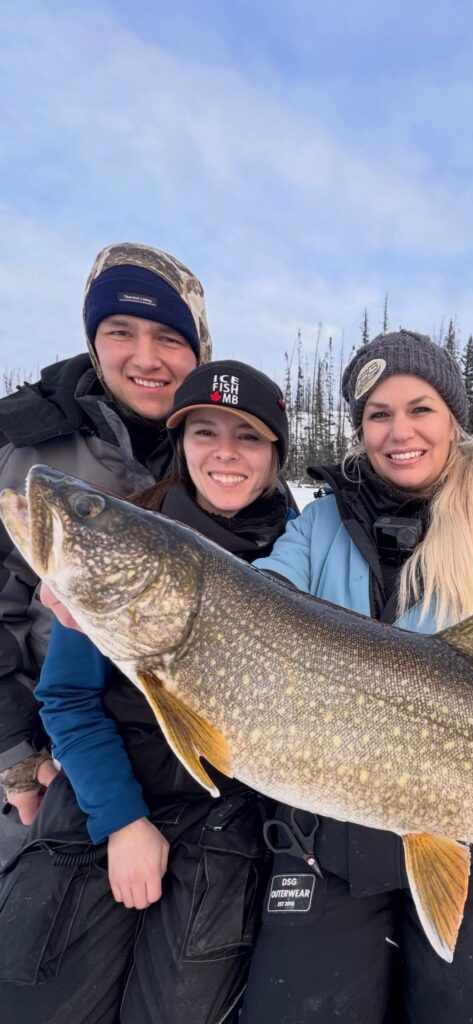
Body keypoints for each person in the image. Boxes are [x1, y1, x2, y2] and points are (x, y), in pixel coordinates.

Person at [241, 330, 473, 1024]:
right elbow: (259, 603)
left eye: (420, 409)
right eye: (378, 415)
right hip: (329, 833)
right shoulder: (318, 523)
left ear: (453, 418)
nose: (400, 432)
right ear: (360, 430)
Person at [0, 361, 293, 1024]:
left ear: (275, 454)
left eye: (247, 436)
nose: (224, 452)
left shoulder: (297, 556)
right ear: (180, 444)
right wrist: (122, 821)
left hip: (221, 825)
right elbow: (67, 699)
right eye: (204, 432)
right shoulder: (123, 537)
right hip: (101, 802)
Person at [0, 242, 211, 831]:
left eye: (169, 338)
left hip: (194, 766)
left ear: (198, 351)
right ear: (94, 340)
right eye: (121, 331)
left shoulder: (222, 456)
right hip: (51, 764)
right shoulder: (16, 450)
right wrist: (17, 759)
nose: (147, 357)